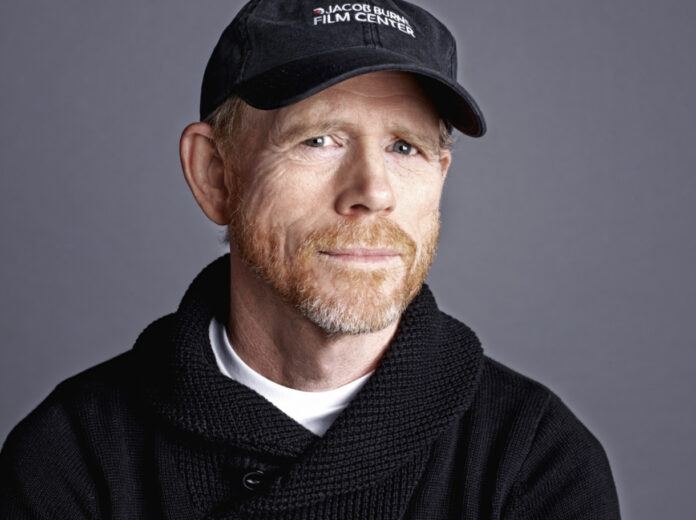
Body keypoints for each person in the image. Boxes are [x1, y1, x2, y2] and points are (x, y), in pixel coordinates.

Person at [0, 1, 621, 518]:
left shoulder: (535, 459)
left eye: (405, 147)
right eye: (319, 140)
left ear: (441, 175)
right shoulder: (73, 455)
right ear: (215, 174)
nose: (372, 191)